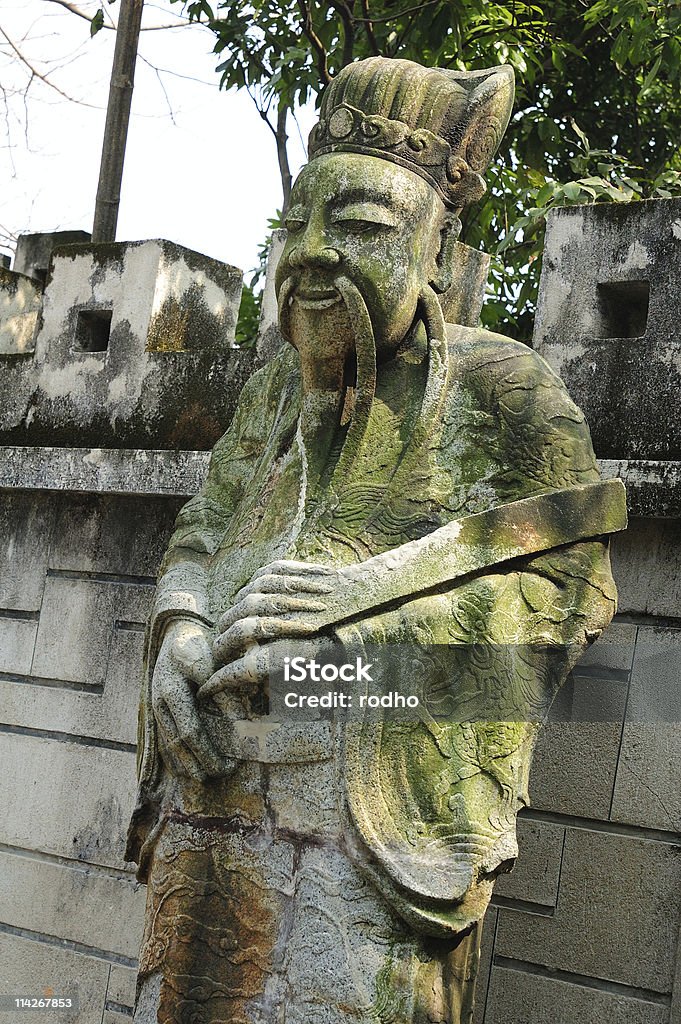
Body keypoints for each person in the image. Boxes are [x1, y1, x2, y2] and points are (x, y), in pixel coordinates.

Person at [128, 57, 625, 1024]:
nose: (311, 255)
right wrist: (179, 628)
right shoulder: (272, 392)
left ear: (435, 251)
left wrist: (350, 645)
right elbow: (202, 523)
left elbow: (560, 595)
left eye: (356, 228)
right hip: (209, 800)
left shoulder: (505, 394)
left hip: (364, 841)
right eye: (295, 228)